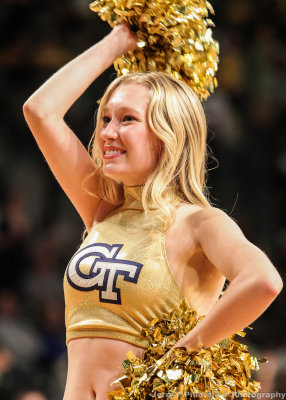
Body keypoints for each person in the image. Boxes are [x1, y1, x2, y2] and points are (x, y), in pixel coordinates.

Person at [23, 21, 283, 400]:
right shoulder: (103, 208)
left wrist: (180, 360)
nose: (108, 132)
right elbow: (39, 111)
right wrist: (117, 42)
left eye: (127, 119)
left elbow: (263, 281)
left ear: (168, 134)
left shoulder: (200, 222)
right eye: (105, 118)